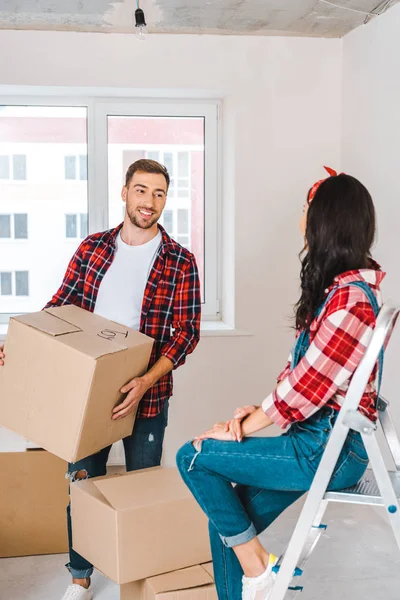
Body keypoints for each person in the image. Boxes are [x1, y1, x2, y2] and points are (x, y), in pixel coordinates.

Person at [176, 170, 383, 600]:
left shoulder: (351, 300)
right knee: (228, 522)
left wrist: (241, 430)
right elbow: (302, 377)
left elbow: (306, 390)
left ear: (325, 223)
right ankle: (257, 570)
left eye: (308, 211)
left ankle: (261, 569)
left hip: (327, 449)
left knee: (192, 457)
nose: (302, 220)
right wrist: (254, 414)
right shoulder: (338, 293)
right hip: (315, 438)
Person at [1, 159, 201, 600]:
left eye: (159, 194)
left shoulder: (180, 261)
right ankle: (80, 577)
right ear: (125, 192)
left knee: (142, 486)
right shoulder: (93, 249)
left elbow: (187, 333)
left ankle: (140, 574)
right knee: (84, 483)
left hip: (147, 390)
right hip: (88, 390)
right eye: (142, 191)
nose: (149, 202)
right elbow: (60, 307)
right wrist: (20, 342)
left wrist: (146, 380)